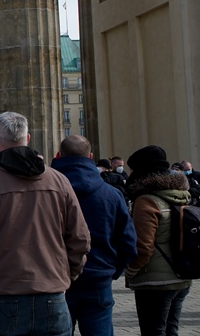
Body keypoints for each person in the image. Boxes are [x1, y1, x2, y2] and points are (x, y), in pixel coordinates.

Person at [0, 112, 90, 336]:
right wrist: (67, 276)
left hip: (2, 293)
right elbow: (80, 237)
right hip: (51, 292)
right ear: (27, 138)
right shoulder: (58, 180)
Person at [51, 135, 138, 335]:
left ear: (59, 155)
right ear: (91, 156)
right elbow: (128, 242)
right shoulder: (112, 194)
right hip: (99, 277)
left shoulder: (47, 193)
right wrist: (112, 270)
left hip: (56, 280)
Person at [124, 145, 191, 336]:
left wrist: (131, 270)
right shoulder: (181, 195)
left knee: (153, 331)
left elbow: (143, 247)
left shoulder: (146, 200)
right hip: (182, 275)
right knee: (171, 330)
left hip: (155, 281)